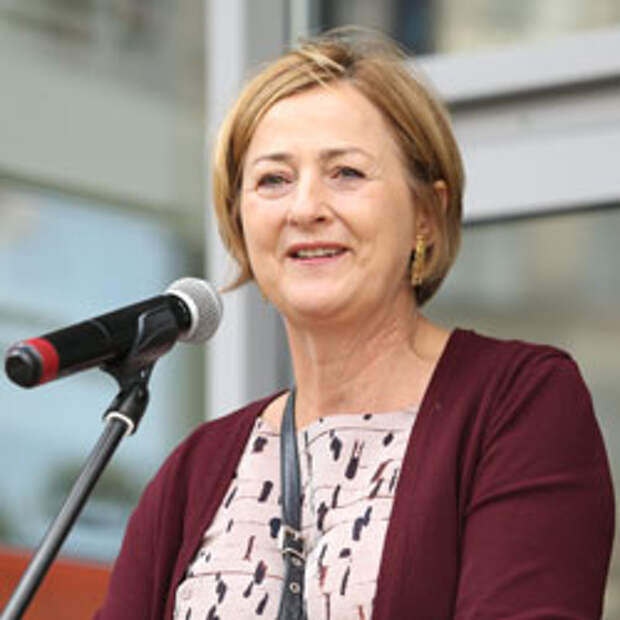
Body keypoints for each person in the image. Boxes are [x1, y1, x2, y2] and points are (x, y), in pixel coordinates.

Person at [96, 30, 614, 619]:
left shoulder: (517, 403)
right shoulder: (193, 474)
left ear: (426, 214)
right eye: (273, 180)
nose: (305, 208)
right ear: (240, 224)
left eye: (345, 172)